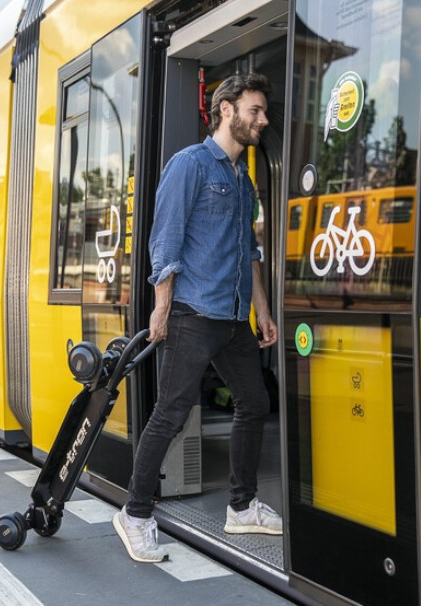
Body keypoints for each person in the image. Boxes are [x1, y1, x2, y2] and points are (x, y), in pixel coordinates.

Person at [112, 73, 282, 563]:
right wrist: (161, 307)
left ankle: (242, 505)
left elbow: (249, 250)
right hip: (191, 312)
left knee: (253, 402)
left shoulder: (242, 179)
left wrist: (262, 311)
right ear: (226, 110)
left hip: (231, 317)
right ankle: (136, 513)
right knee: (171, 411)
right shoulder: (189, 165)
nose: (262, 119)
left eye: (263, 111)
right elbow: (164, 240)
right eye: (255, 110)